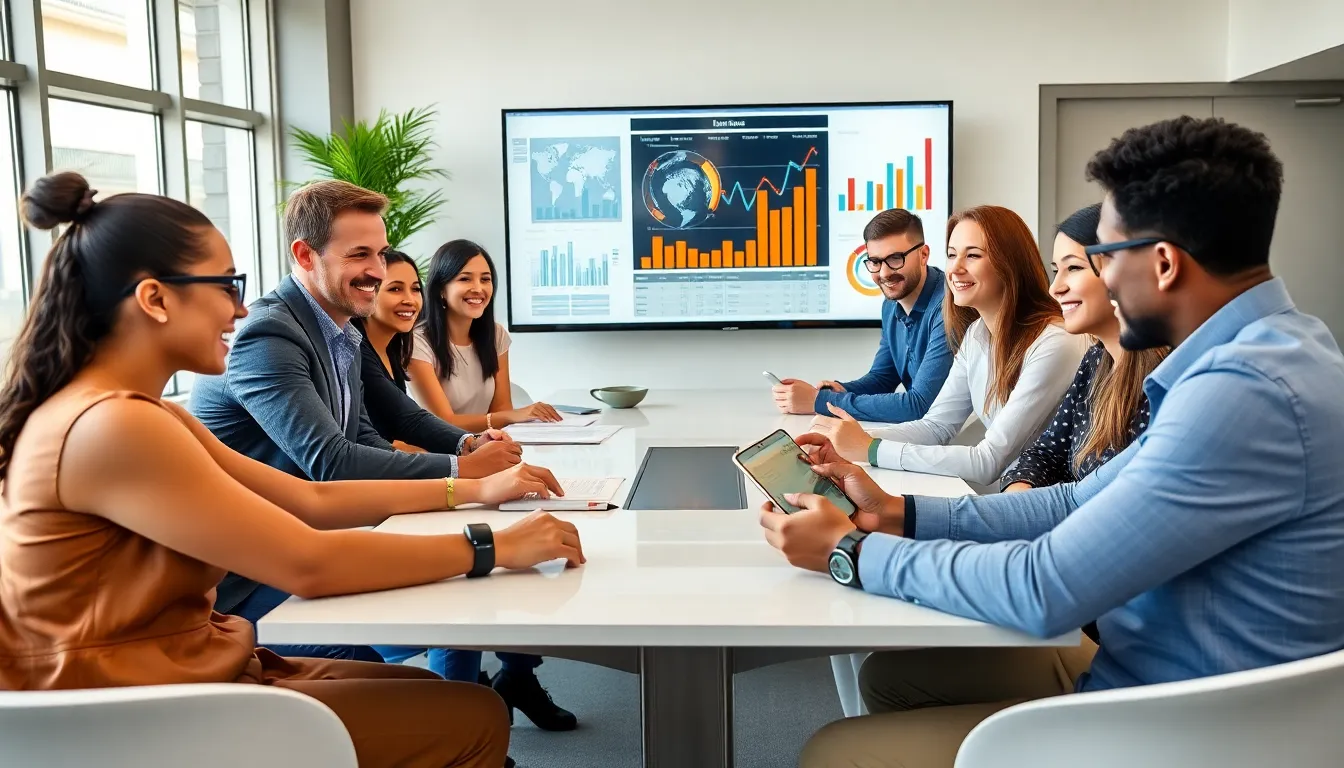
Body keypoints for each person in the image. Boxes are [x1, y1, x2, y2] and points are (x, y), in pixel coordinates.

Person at [762, 116, 1344, 768]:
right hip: (1154, 673)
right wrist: (896, 513)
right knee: (890, 680)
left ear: (1162, 263)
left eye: (1104, 258)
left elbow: (1044, 588)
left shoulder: (1242, 393)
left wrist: (851, 552)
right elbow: (1077, 500)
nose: (1092, 281)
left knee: (836, 752)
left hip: (1182, 722)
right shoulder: (1277, 351)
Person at [0, 171, 587, 768]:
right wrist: (492, 546)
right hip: (141, 711)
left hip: (187, 665)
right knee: (474, 715)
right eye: (225, 285)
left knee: (437, 692)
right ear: (155, 299)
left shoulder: (143, 413)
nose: (239, 307)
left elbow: (313, 499)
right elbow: (309, 561)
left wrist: (474, 491)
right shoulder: (113, 425)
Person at [189, 181, 524, 661]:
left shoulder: (339, 327)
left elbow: (361, 433)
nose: (378, 271)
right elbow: (330, 461)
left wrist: (463, 455)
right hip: (246, 583)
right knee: (425, 621)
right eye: (359, 255)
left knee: (460, 593)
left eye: (381, 254)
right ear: (305, 255)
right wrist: (461, 474)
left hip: (307, 543)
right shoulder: (268, 336)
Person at [358, 246, 576, 730]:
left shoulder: (390, 349)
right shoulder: (380, 349)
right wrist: (465, 464)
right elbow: (383, 442)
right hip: (385, 498)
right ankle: (461, 718)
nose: (407, 299)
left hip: (426, 477)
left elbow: (409, 426)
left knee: (516, 542)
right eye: (392, 288)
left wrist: (474, 446)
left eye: (412, 288)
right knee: (471, 574)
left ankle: (512, 679)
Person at [810, 206, 1089, 487]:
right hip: (1014, 490)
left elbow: (988, 462)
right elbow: (936, 426)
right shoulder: (978, 333)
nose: (954, 269)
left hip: (1044, 496)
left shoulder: (1054, 342)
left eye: (973, 255)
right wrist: (847, 441)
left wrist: (871, 449)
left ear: (1010, 263)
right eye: (952, 254)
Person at [1000, 203, 1167, 493]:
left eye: (1074, 268)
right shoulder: (1096, 360)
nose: (1055, 288)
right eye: (1056, 271)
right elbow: (1045, 454)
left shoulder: (1165, 377)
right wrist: (1017, 497)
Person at [773, 209, 953, 422]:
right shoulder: (890, 305)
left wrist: (819, 402)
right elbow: (882, 378)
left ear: (923, 255)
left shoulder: (949, 307)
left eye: (896, 258)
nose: (884, 273)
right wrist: (840, 390)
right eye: (875, 261)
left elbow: (918, 405)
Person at [408, 239, 561, 431]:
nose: (478, 288)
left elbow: (501, 411)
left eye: (485, 279)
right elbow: (443, 424)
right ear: (441, 290)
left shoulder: (496, 335)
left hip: (484, 443)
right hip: (438, 447)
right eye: (465, 279)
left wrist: (510, 417)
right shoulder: (417, 343)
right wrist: (513, 415)